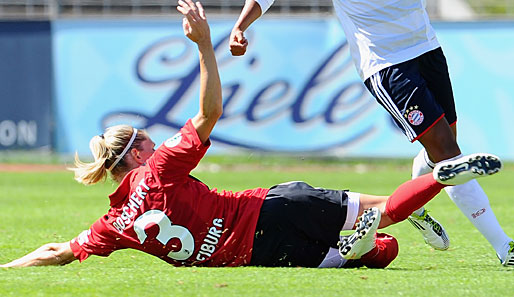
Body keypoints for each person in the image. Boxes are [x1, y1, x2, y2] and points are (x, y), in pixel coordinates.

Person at [0, 1, 503, 270]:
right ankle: (437, 179)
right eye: (145, 140)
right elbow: (210, 111)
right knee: (389, 221)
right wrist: (204, 44)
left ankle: (414, 196)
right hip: (272, 209)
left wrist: (8, 270)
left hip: (270, 255)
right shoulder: (159, 170)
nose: (154, 142)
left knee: (384, 244)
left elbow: (56, 251)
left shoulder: (114, 224)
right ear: (136, 156)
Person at [228, 0, 514, 266]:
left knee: (443, 146)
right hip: (387, 63)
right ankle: (504, 247)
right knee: (448, 154)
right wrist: (240, 26)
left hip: (427, 48)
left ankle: (412, 204)